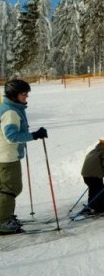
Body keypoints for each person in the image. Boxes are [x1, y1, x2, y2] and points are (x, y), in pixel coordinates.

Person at [0, 79, 48, 234]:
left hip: (5, 154)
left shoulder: (10, 106)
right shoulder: (11, 112)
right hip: (7, 156)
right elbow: (11, 136)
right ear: (14, 95)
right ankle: (3, 221)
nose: (26, 96)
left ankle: (4, 215)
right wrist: (34, 135)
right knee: (11, 188)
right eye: (24, 93)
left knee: (6, 188)